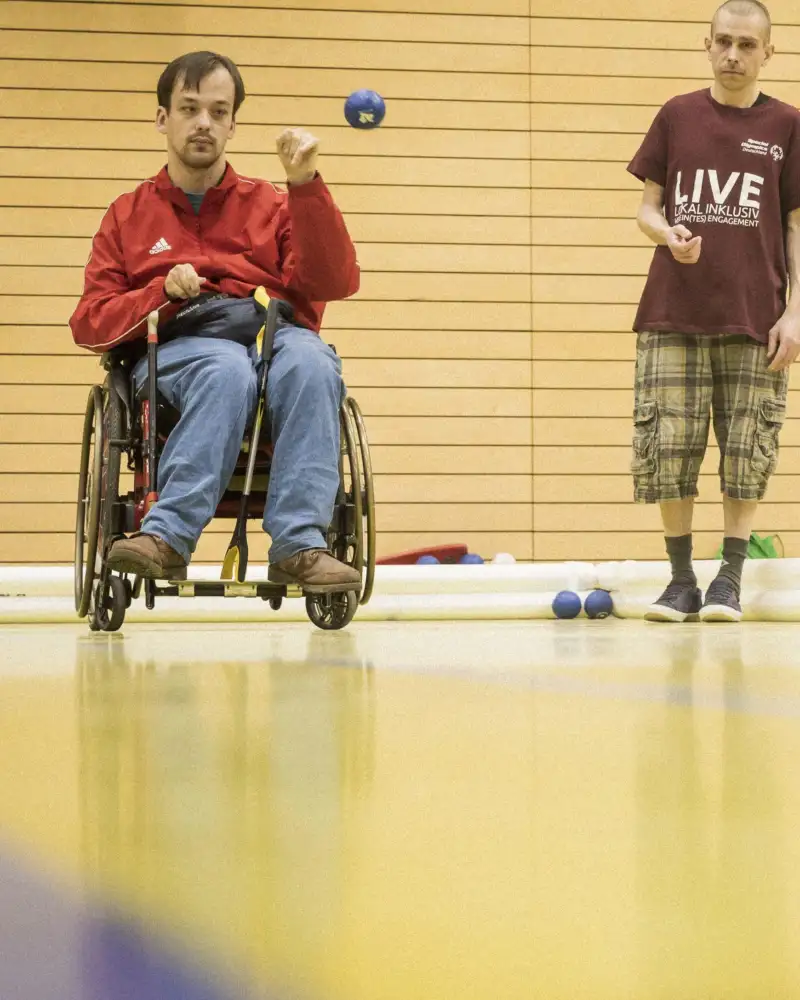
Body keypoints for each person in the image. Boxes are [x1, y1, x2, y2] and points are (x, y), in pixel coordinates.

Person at [70, 51, 362, 592]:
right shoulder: (127, 215)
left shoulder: (272, 205)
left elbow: (335, 281)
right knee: (225, 367)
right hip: (178, 352)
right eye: (189, 108)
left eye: (217, 111)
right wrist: (160, 294)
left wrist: (306, 186)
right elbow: (90, 322)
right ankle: (167, 538)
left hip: (271, 338)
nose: (203, 122)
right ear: (164, 118)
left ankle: (300, 544)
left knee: (313, 362)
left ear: (232, 123)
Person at [627, 0, 800, 623]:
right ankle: (680, 583)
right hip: (673, 311)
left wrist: (796, 313)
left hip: (756, 317)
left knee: (747, 447)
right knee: (668, 446)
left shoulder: (787, 125)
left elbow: (794, 226)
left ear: (767, 53)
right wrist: (665, 233)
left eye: (746, 45)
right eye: (723, 42)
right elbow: (647, 208)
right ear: (707, 44)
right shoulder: (677, 115)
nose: (733, 55)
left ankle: (729, 579)